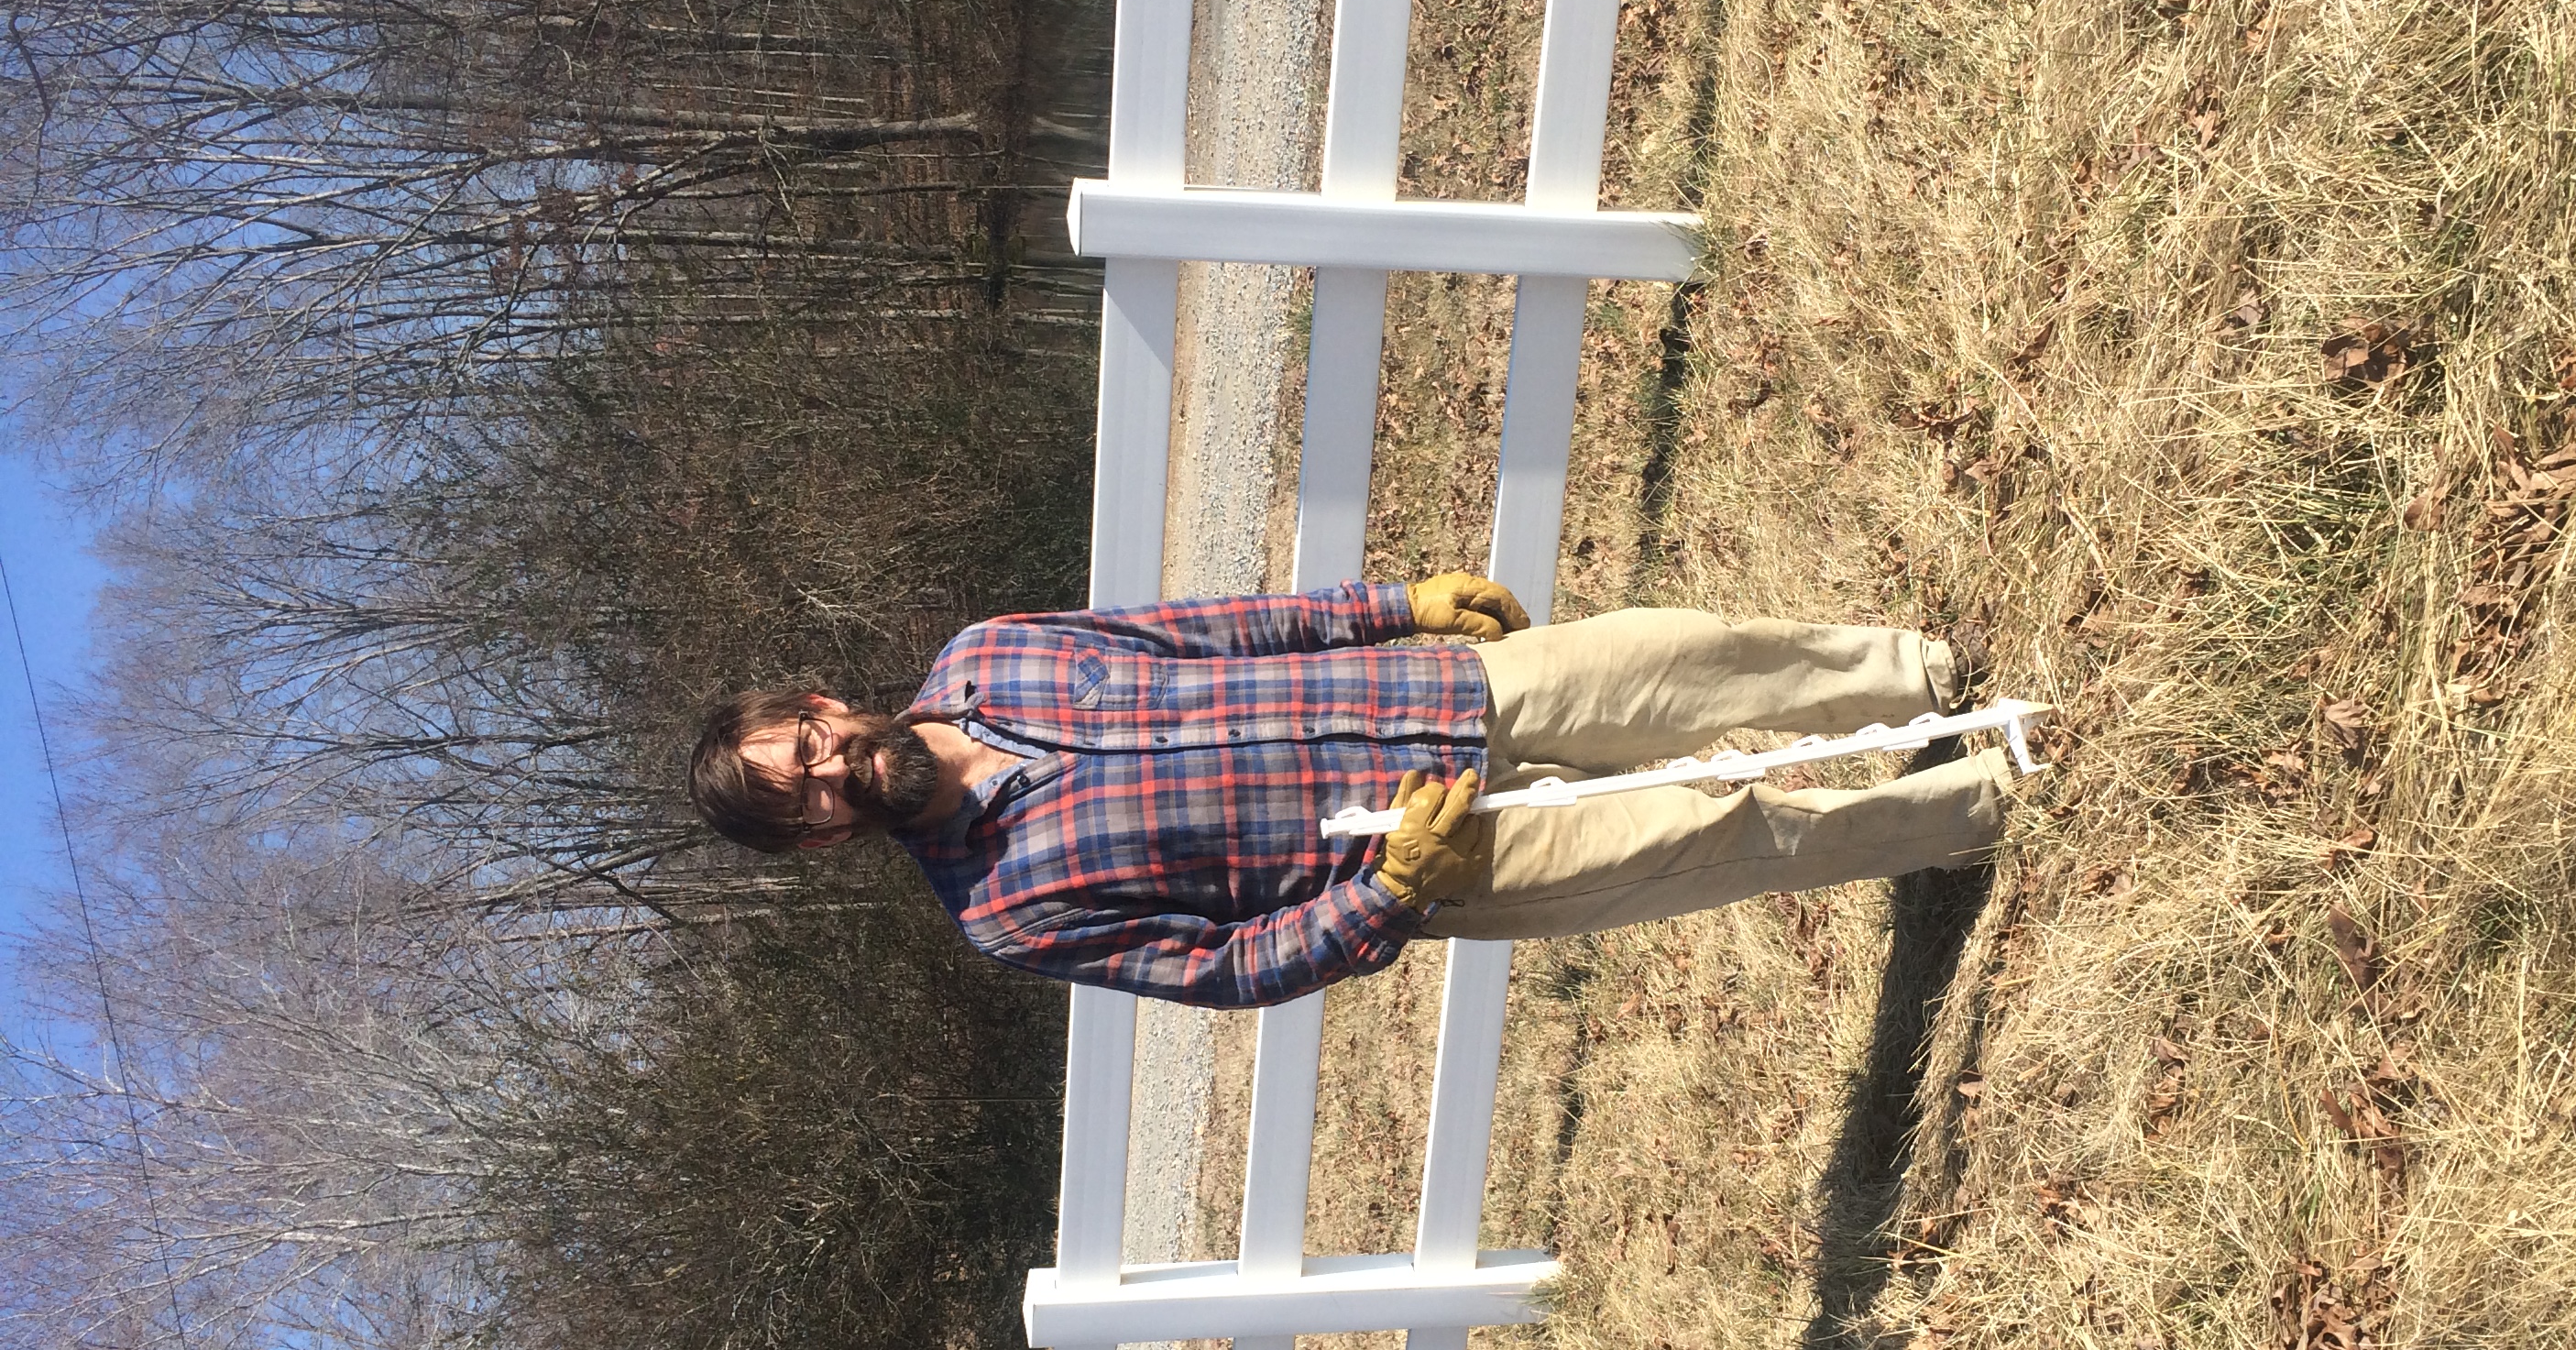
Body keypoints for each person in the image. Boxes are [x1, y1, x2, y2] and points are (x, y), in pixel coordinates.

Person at [685, 575, 2009, 1009]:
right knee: (1721, 831)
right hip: (1433, 852)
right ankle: (1969, 815)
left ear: (813, 711)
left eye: (797, 752)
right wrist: (1385, 898)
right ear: (815, 841)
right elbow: (1220, 969)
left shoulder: (993, 652)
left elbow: (1215, 628)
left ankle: (1924, 678)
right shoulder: (1002, 913)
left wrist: (1398, 604)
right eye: (795, 805)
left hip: (1432, 700)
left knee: (1696, 661)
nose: (821, 779)